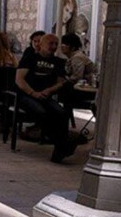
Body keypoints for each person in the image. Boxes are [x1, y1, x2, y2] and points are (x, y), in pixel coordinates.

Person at [16, 33, 76, 163]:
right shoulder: (30, 58)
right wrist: (33, 93)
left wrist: (49, 90)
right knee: (41, 112)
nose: (53, 47)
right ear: (41, 45)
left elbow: (60, 82)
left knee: (61, 112)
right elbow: (19, 79)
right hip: (27, 95)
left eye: (56, 44)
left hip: (45, 95)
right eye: (51, 43)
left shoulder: (58, 62)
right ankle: (61, 144)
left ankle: (60, 147)